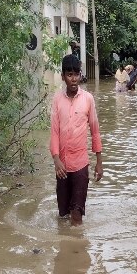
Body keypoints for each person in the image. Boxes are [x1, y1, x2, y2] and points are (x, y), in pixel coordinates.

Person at [50, 54, 104, 226]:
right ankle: (65, 247)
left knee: (76, 215)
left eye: (76, 74)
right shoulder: (57, 100)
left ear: (81, 75)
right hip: (62, 167)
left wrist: (99, 162)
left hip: (81, 164)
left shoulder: (88, 99)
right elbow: (54, 132)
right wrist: (56, 160)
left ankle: (77, 250)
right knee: (63, 214)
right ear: (63, 76)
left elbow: (95, 131)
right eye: (70, 75)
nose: (74, 79)